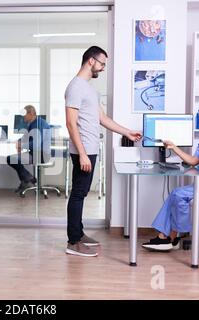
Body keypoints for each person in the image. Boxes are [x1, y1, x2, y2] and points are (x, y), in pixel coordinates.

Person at [65, 46, 142, 257]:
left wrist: (128, 132)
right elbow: (71, 124)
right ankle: (73, 242)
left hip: (90, 148)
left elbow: (103, 119)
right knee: (78, 194)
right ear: (91, 61)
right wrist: (81, 153)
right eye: (102, 63)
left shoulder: (89, 88)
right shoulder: (75, 87)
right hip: (83, 150)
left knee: (81, 193)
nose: (103, 68)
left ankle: (79, 235)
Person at [142, 101, 199, 251]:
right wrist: (174, 147)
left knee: (178, 194)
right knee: (177, 194)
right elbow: (194, 160)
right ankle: (169, 236)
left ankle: (174, 235)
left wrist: (194, 166)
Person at [7, 105, 51, 194]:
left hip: (41, 154)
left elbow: (36, 144)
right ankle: (27, 178)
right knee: (11, 158)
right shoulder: (33, 123)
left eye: (24, 114)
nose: (23, 117)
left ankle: (27, 178)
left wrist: (21, 146)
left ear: (31, 113)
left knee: (11, 159)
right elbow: (25, 137)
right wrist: (18, 142)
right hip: (35, 153)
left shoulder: (39, 124)